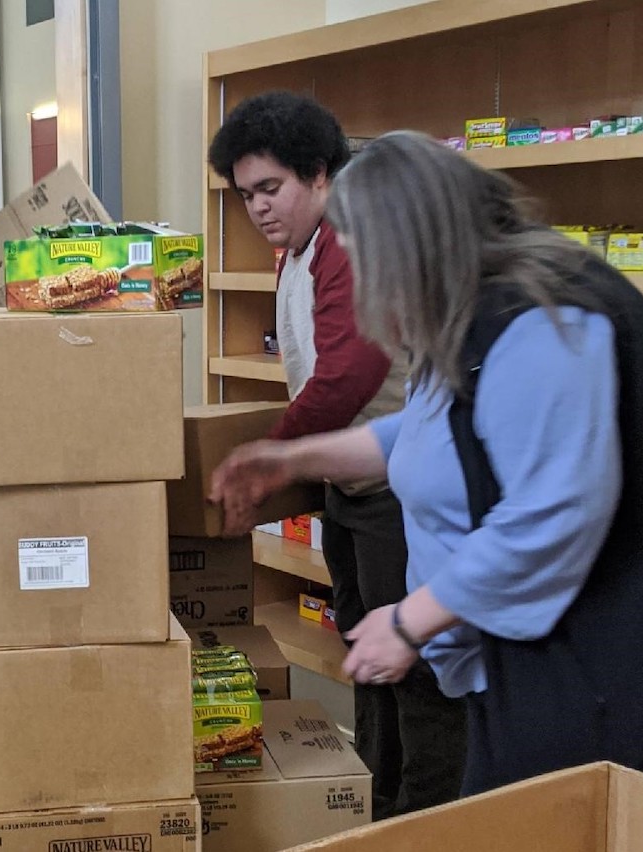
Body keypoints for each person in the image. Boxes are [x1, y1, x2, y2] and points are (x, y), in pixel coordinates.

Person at [210, 130, 643, 795]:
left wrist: (411, 620)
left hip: (601, 681)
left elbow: (550, 519)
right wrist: (297, 457)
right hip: (525, 670)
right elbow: (435, 438)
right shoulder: (469, 309)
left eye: (366, 261)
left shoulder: (541, 321)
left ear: (410, 246)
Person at [206, 92, 465, 817]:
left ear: (320, 174)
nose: (257, 208)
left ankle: (416, 812)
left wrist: (276, 454)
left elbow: (351, 371)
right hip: (353, 483)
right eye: (245, 193)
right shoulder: (300, 245)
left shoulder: (348, 235)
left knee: (408, 664)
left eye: (270, 188)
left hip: (393, 488)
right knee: (365, 648)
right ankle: (376, 794)